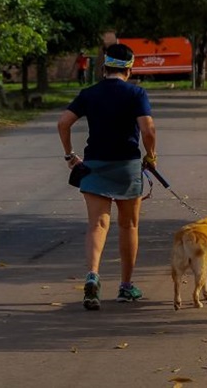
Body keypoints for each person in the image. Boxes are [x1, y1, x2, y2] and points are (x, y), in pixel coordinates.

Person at [57, 43, 157, 310]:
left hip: (95, 165)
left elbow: (63, 122)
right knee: (128, 225)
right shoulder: (136, 93)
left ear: (104, 67)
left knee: (97, 225)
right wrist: (151, 155)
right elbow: (148, 130)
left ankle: (92, 275)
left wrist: (70, 155)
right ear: (129, 69)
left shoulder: (90, 93)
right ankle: (125, 287)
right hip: (126, 165)